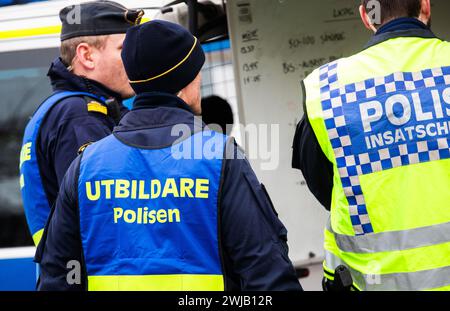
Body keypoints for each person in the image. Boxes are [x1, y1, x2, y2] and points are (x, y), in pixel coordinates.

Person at [37, 20, 302, 291]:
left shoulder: (86, 165)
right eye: (197, 71)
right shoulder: (219, 158)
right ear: (185, 80)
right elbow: (265, 271)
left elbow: (57, 276)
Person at [292, 0, 450, 291]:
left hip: (373, 282)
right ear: (425, 6)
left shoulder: (328, 90)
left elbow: (324, 184)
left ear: (366, 16)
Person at [19, 1, 144, 246]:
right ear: (86, 55)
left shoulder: (61, 108)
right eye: (124, 49)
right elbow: (105, 214)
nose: (134, 58)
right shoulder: (81, 116)